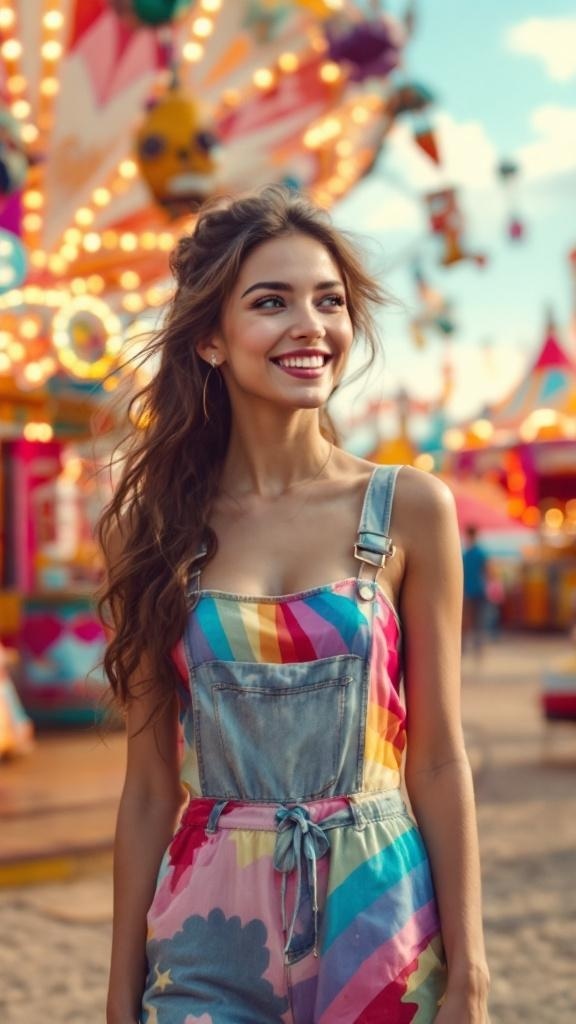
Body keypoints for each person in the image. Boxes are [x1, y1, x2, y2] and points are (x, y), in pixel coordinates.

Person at [100, 185, 489, 1024]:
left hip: (381, 920)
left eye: (329, 301)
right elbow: (149, 790)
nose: (311, 325)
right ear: (209, 338)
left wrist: (472, 971)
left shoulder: (411, 508)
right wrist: (119, 991)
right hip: (207, 930)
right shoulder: (153, 531)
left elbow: (437, 760)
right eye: (271, 302)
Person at [462, 526, 488, 655]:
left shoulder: (466, 554)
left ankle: (466, 646)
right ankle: (477, 646)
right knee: (478, 620)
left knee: (468, 620)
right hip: (478, 589)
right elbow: (487, 571)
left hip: (469, 590)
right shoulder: (480, 553)